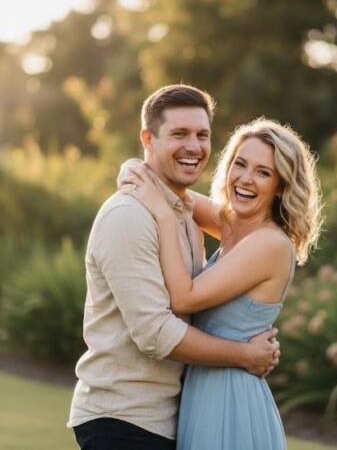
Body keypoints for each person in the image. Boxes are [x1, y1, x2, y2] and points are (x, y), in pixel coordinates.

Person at [67, 84, 281, 450]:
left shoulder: (180, 210)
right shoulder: (128, 216)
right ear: (148, 139)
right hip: (123, 420)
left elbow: (227, 222)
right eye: (179, 134)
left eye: (202, 135)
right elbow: (155, 333)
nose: (194, 147)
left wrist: (139, 170)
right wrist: (245, 354)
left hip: (168, 420)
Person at [120, 117, 323, 450]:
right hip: (202, 393)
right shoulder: (234, 226)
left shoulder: (270, 244)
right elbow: (161, 182)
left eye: (263, 172)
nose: (245, 179)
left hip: (231, 400)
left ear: (281, 186)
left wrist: (163, 217)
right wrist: (134, 165)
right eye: (240, 164)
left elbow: (183, 299)